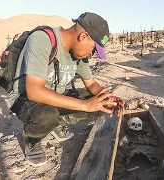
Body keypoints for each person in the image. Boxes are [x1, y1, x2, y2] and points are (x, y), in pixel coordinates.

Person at [8, 12, 123, 166]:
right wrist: (84, 105)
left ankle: (56, 124)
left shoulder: (79, 55)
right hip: (27, 99)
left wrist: (108, 98)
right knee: (46, 115)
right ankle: (32, 139)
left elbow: (91, 84)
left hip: (56, 95)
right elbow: (34, 92)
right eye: (93, 49)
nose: (92, 53)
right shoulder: (43, 39)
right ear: (83, 36)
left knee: (101, 105)